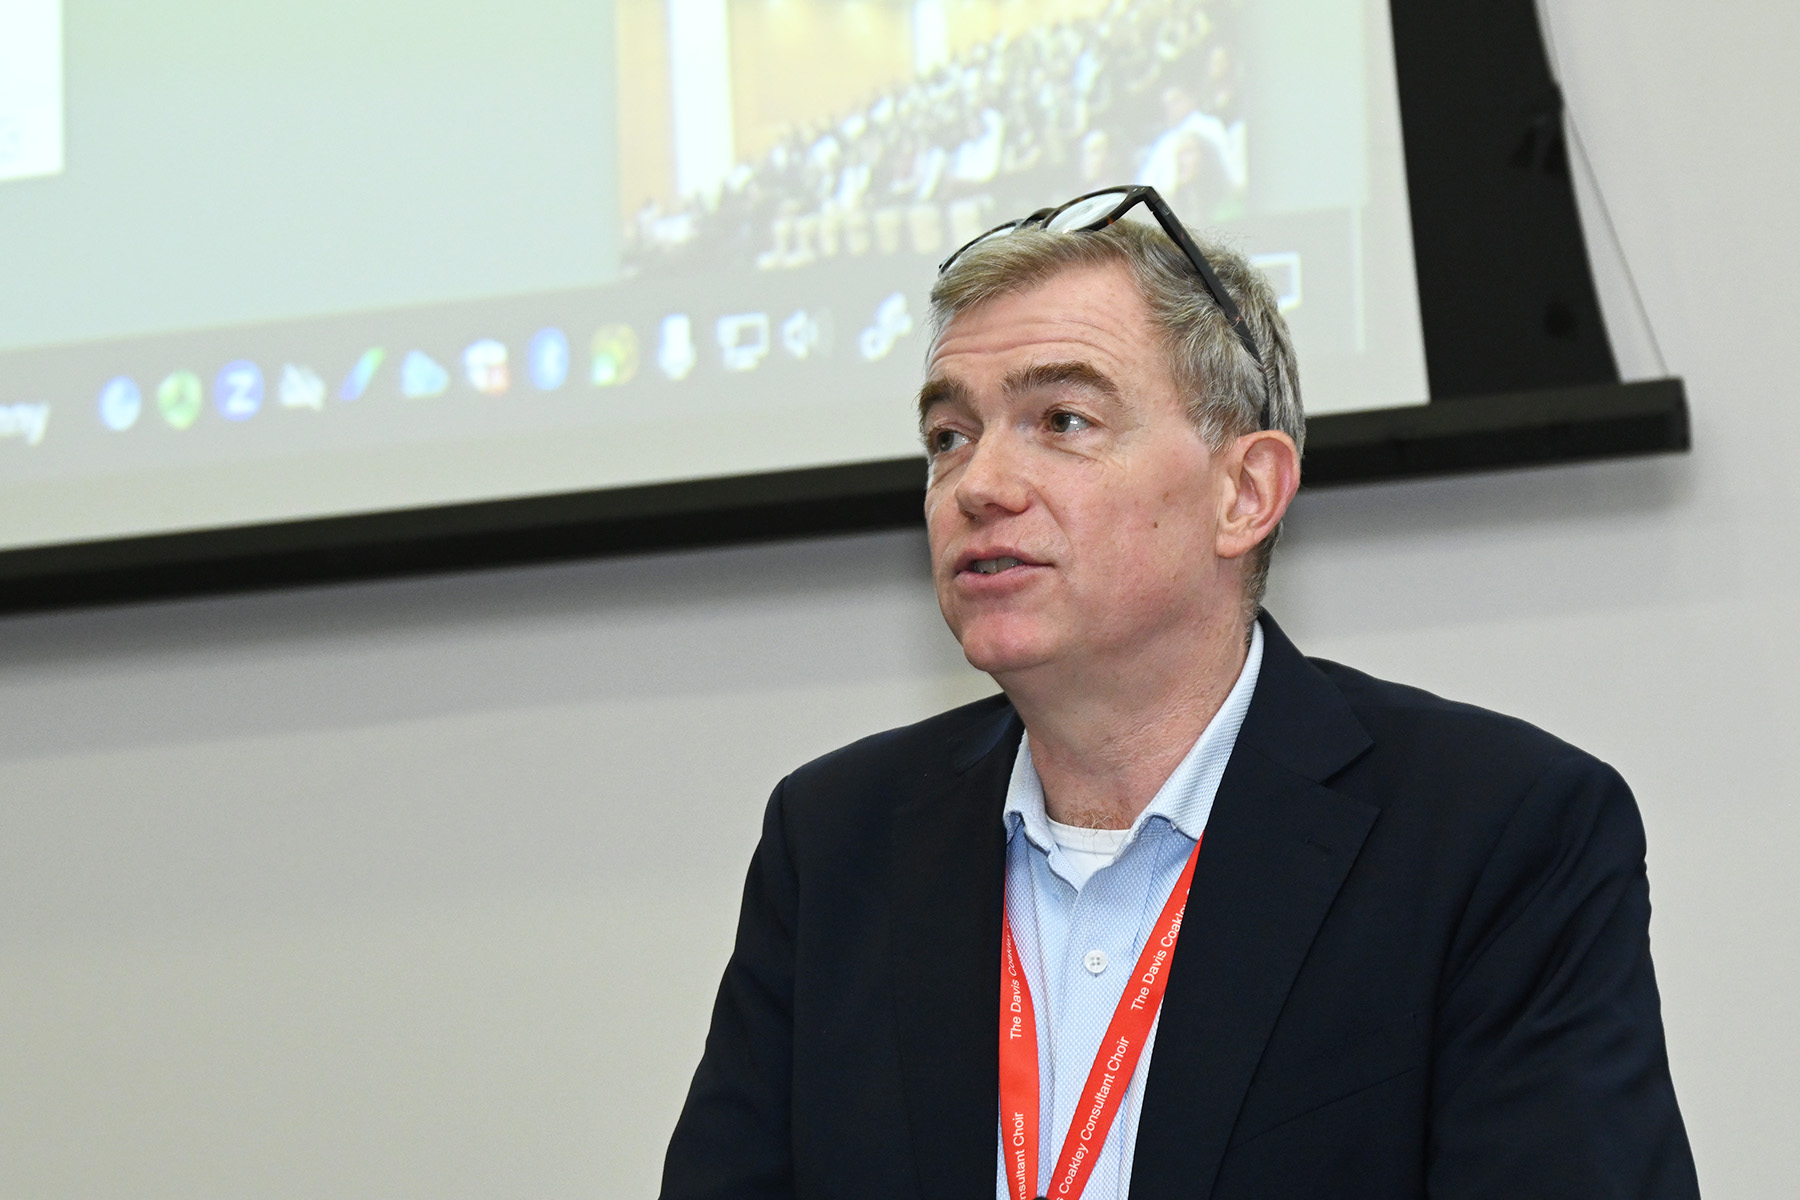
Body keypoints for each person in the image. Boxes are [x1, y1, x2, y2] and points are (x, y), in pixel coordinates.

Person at [659, 186, 1699, 1199]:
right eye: (949, 437)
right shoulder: (836, 839)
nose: (978, 486)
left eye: (1062, 419)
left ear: (1244, 492)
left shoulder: (1497, 832)